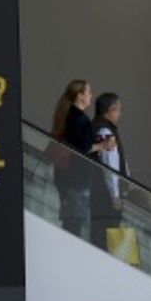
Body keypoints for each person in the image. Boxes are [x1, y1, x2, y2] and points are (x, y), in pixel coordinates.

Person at [50, 79, 111, 236]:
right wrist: (103, 146)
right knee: (74, 225)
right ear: (80, 96)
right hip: (77, 178)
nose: (91, 95)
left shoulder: (70, 116)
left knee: (72, 222)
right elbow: (83, 147)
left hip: (69, 176)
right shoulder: (78, 118)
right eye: (88, 92)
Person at [89, 92, 129, 248]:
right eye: (118, 110)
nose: (119, 114)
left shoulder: (99, 127)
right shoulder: (105, 131)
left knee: (103, 233)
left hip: (100, 192)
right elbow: (110, 165)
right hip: (105, 194)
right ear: (111, 109)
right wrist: (115, 194)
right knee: (108, 234)